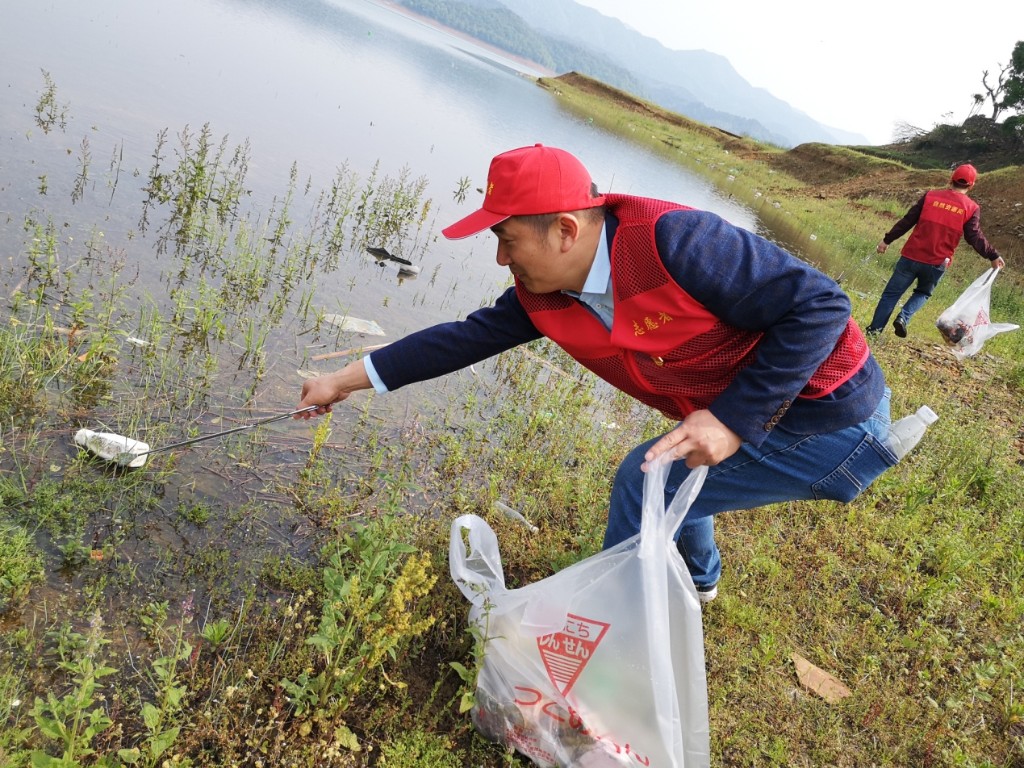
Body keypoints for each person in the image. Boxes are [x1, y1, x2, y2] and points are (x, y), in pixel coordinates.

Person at [296, 143, 897, 604]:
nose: (500, 258)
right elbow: (459, 340)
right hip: (769, 413)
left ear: (564, 230)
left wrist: (734, 420)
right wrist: (341, 382)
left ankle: (610, 624)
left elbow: (820, 304)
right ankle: (701, 581)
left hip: (834, 420)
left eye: (506, 240)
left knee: (647, 480)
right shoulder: (544, 294)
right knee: (689, 449)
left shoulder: (678, 241)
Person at [866, 163, 1005, 338]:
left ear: (951, 179)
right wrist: (993, 255)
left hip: (910, 256)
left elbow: (908, 220)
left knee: (891, 295)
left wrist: (887, 240)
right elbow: (974, 237)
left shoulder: (930, 196)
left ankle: (873, 332)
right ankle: (904, 317)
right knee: (923, 293)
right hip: (936, 263)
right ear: (971, 185)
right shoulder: (971, 208)